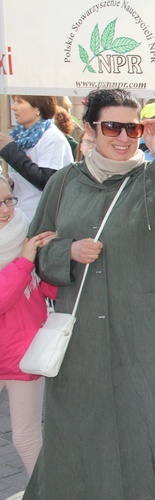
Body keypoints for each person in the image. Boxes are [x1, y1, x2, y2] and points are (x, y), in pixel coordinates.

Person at [24, 89, 155, 498]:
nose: (123, 137)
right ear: (91, 129)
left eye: (132, 127)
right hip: (83, 340)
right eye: (112, 126)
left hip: (148, 336)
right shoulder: (64, 183)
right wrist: (69, 251)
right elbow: (36, 252)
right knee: (84, 431)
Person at [0, 177, 56, 476]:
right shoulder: (25, 252)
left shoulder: (26, 233)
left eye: (9, 199)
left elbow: (51, 291)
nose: (6, 209)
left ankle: (48, 491)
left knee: (25, 437)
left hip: (23, 355)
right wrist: (25, 262)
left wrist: (53, 258)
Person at [0, 95, 73, 219]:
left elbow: (47, 182)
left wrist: (10, 150)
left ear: (37, 108)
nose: (13, 107)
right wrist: (11, 182)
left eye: (19, 102)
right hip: (20, 214)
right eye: (14, 102)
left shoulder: (52, 138)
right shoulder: (21, 137)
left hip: (39, 218)